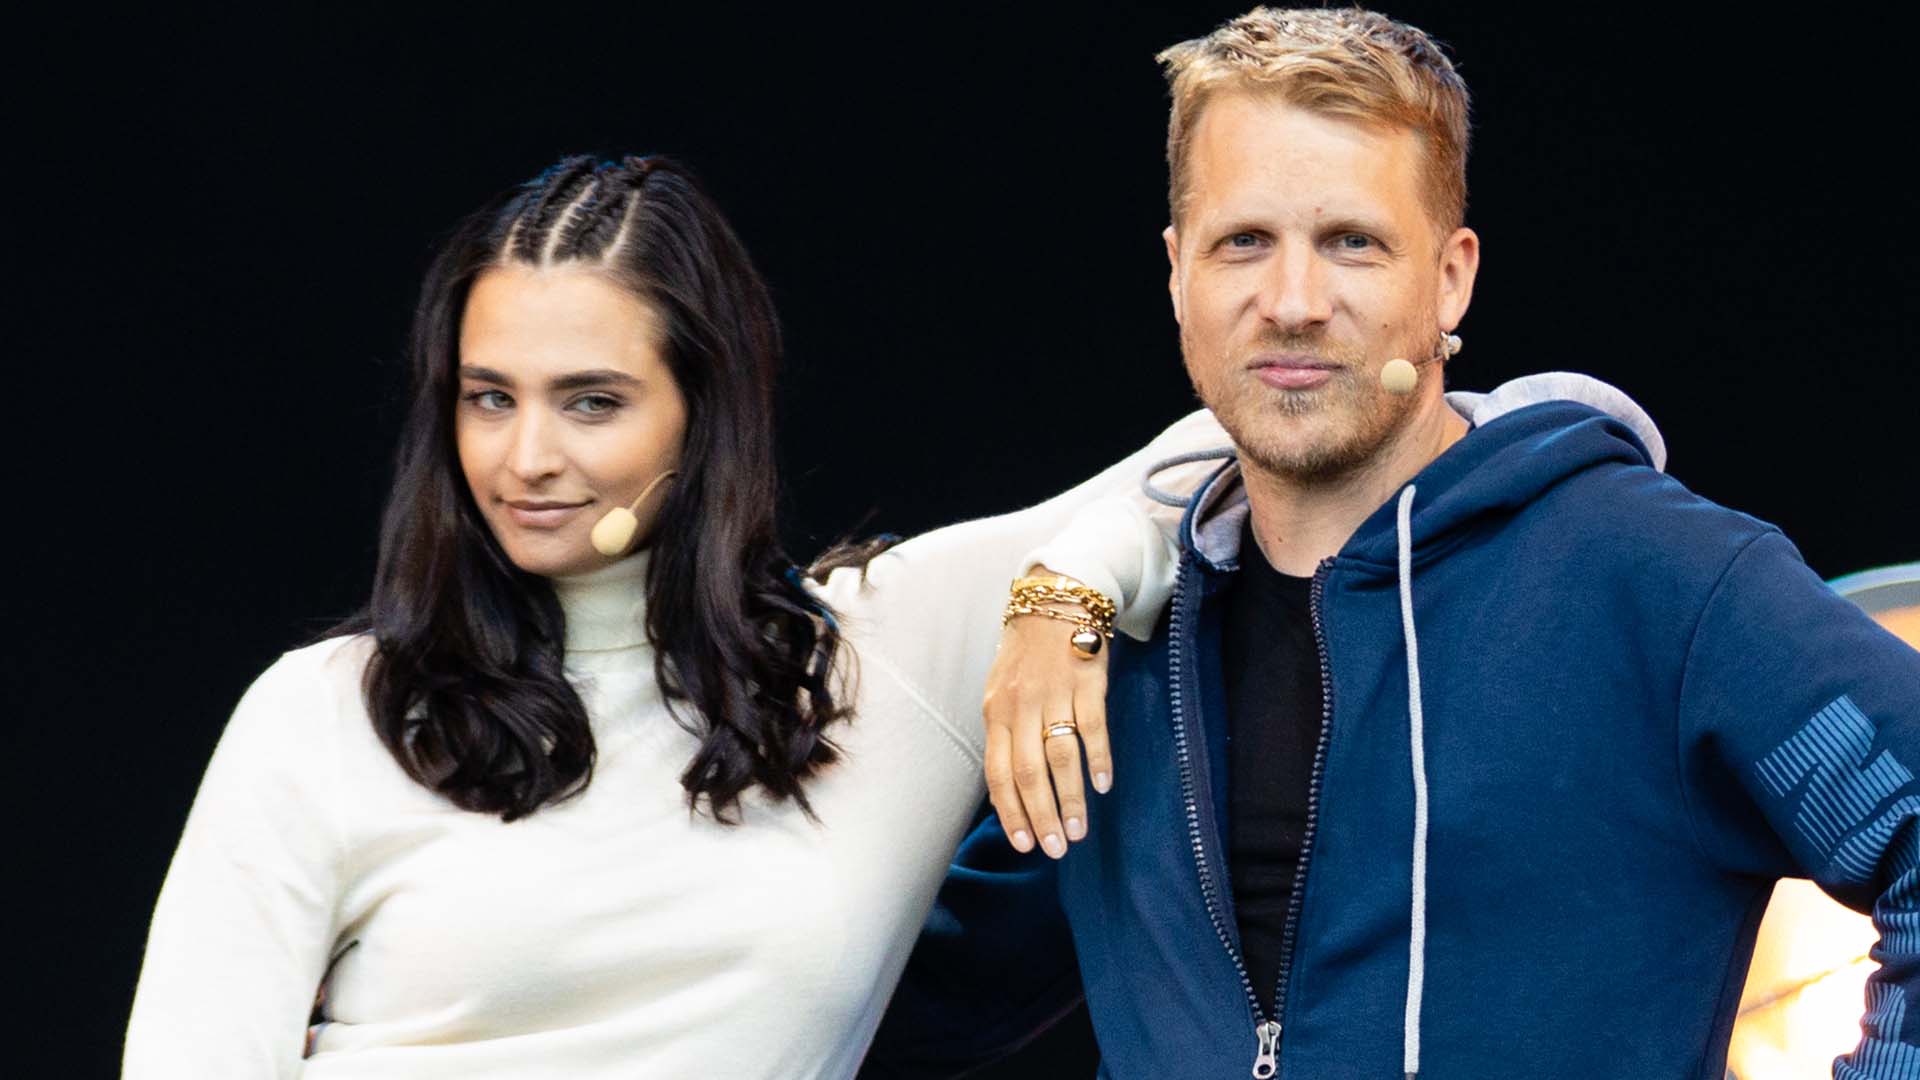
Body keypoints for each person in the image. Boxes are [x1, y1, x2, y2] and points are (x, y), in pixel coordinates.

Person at [906, 8, 1920, 1078]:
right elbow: (903, 997)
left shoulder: (1649, 581)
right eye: (1244, 242)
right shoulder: (1129, 656)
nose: (1293, 303)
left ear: (1450, 277)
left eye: (1353, 242)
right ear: (1176, 274)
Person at [121, 153, 1222, 1078]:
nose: (526, 457)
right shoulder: (322, 715)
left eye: (591, 401)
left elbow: (1223, 455)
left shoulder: (882, 661)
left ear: (707, 416)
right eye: (490, 397)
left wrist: (1069, 586)